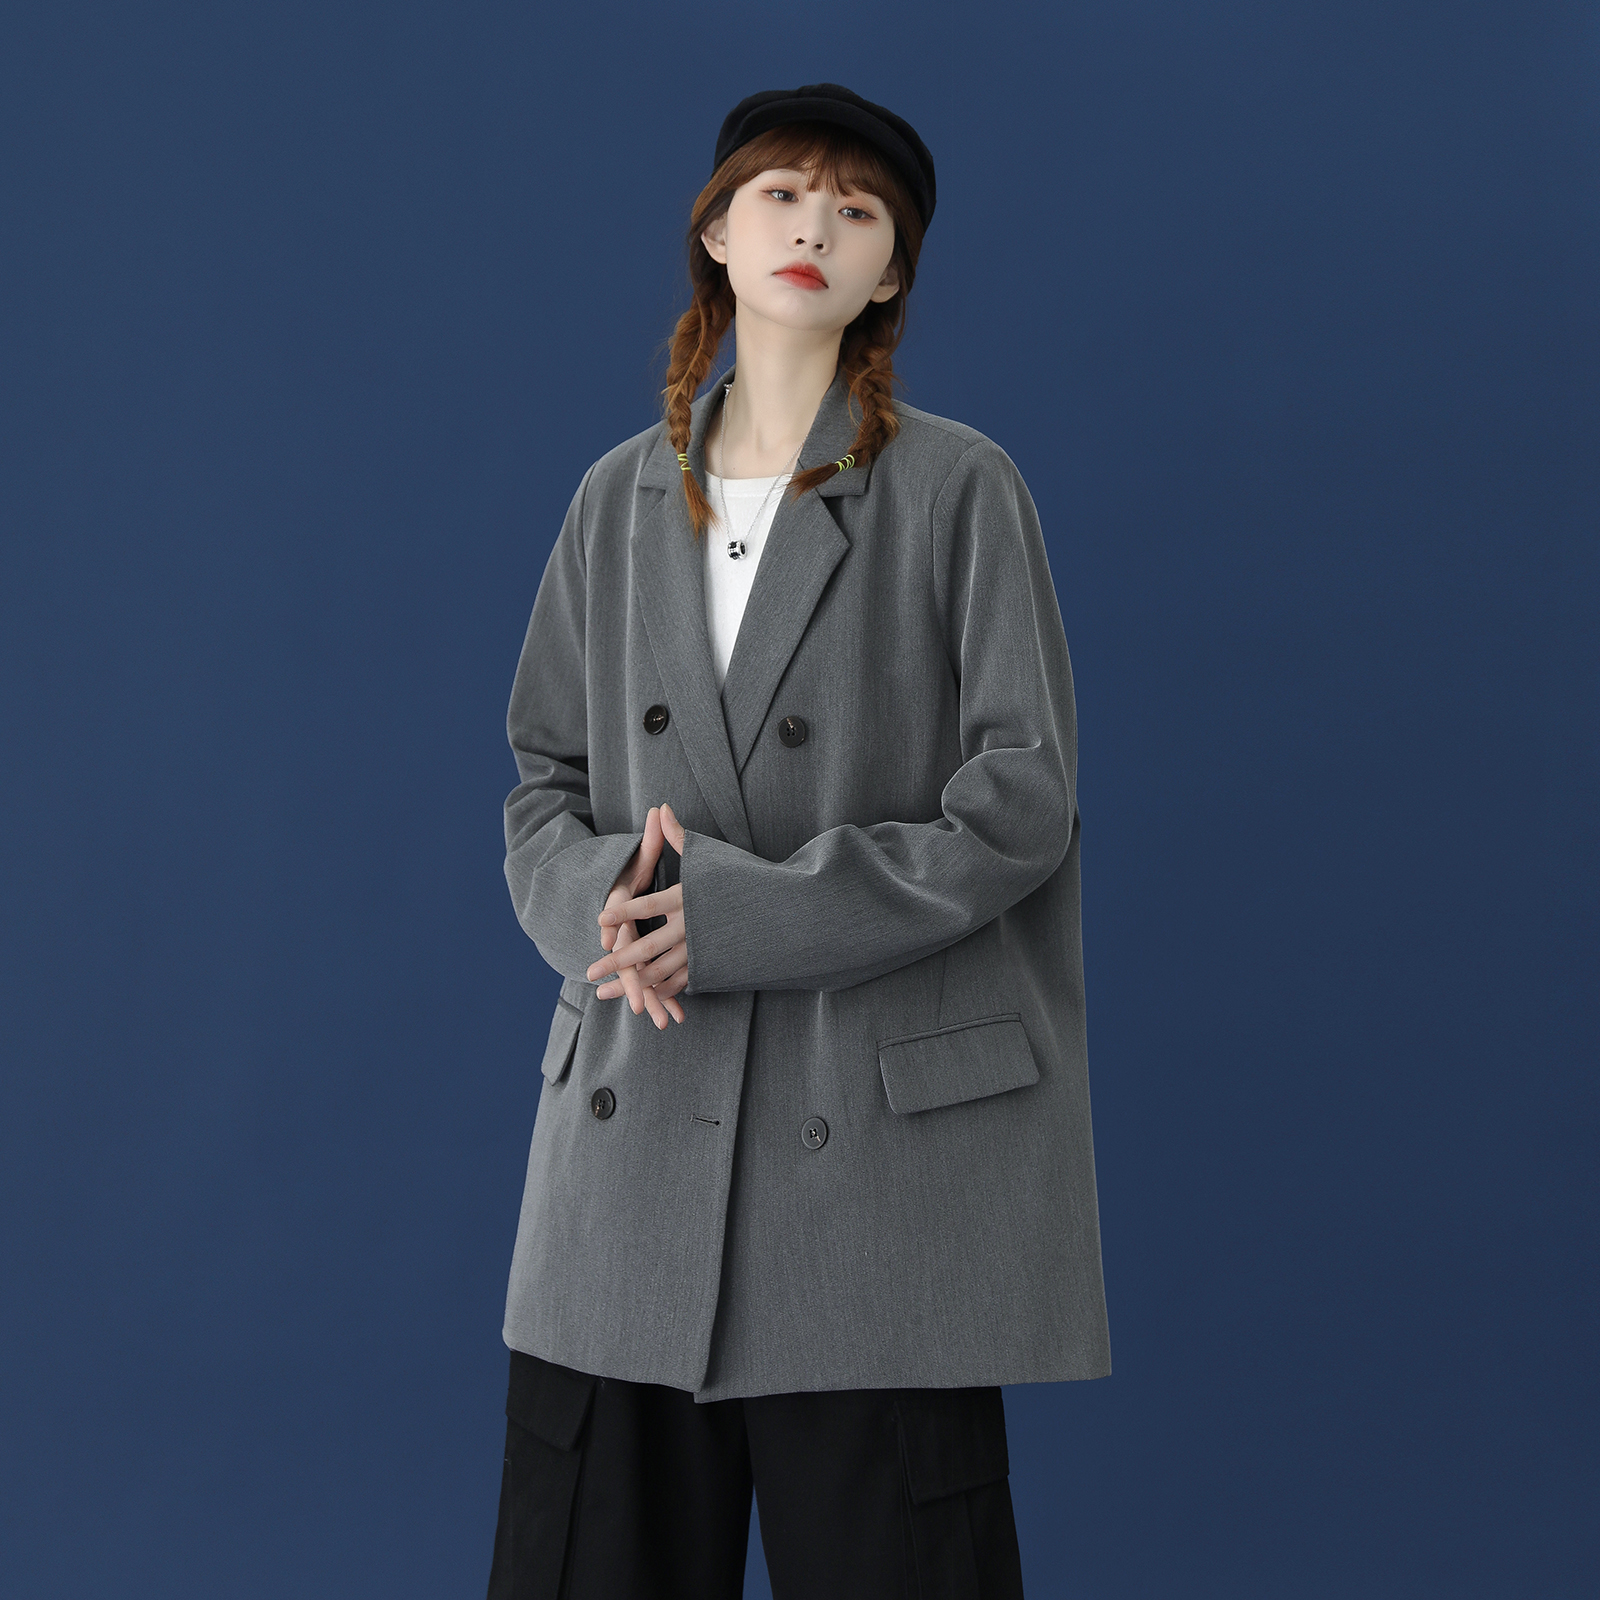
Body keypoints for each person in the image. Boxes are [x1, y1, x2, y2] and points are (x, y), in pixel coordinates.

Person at [486, 83, 1110, 1599]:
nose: (813, 225)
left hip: (873, 1165)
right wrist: (608, 905)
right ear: (716, 231)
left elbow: (1021, 800)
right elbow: (542, 779)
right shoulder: (614, 500)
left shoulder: (960, 489)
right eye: (780, 194)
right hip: (631, 1141)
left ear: (891, 272)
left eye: (856, 209)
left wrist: (739, 917)